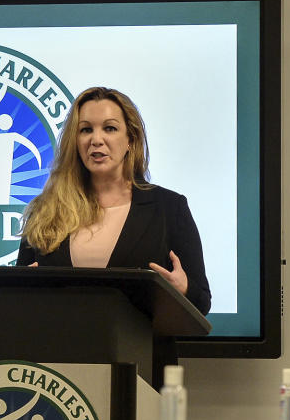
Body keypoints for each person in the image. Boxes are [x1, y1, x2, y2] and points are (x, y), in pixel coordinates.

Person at [17, 87, 211, 315]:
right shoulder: (45, 210)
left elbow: (202, 302)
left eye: (109, 128)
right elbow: (18, 299)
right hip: (60, 347)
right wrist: (22, 289)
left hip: (141, 350)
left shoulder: (169, 207)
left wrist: (183, 288)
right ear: (75, 141)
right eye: (86, 130)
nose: (96, 140)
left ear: (131, 139)